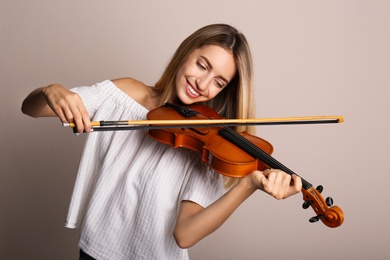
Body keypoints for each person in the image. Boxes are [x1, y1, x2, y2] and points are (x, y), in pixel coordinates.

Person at [21, 24, 302, 260]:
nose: (203, 85)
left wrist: (249, 184)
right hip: (95, 252)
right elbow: (31, 109)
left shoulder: (207, 143)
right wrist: (51, 91)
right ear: (185, 53)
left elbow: (185, 235)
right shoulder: (124, 94)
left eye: (218, 82)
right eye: (202, 66)